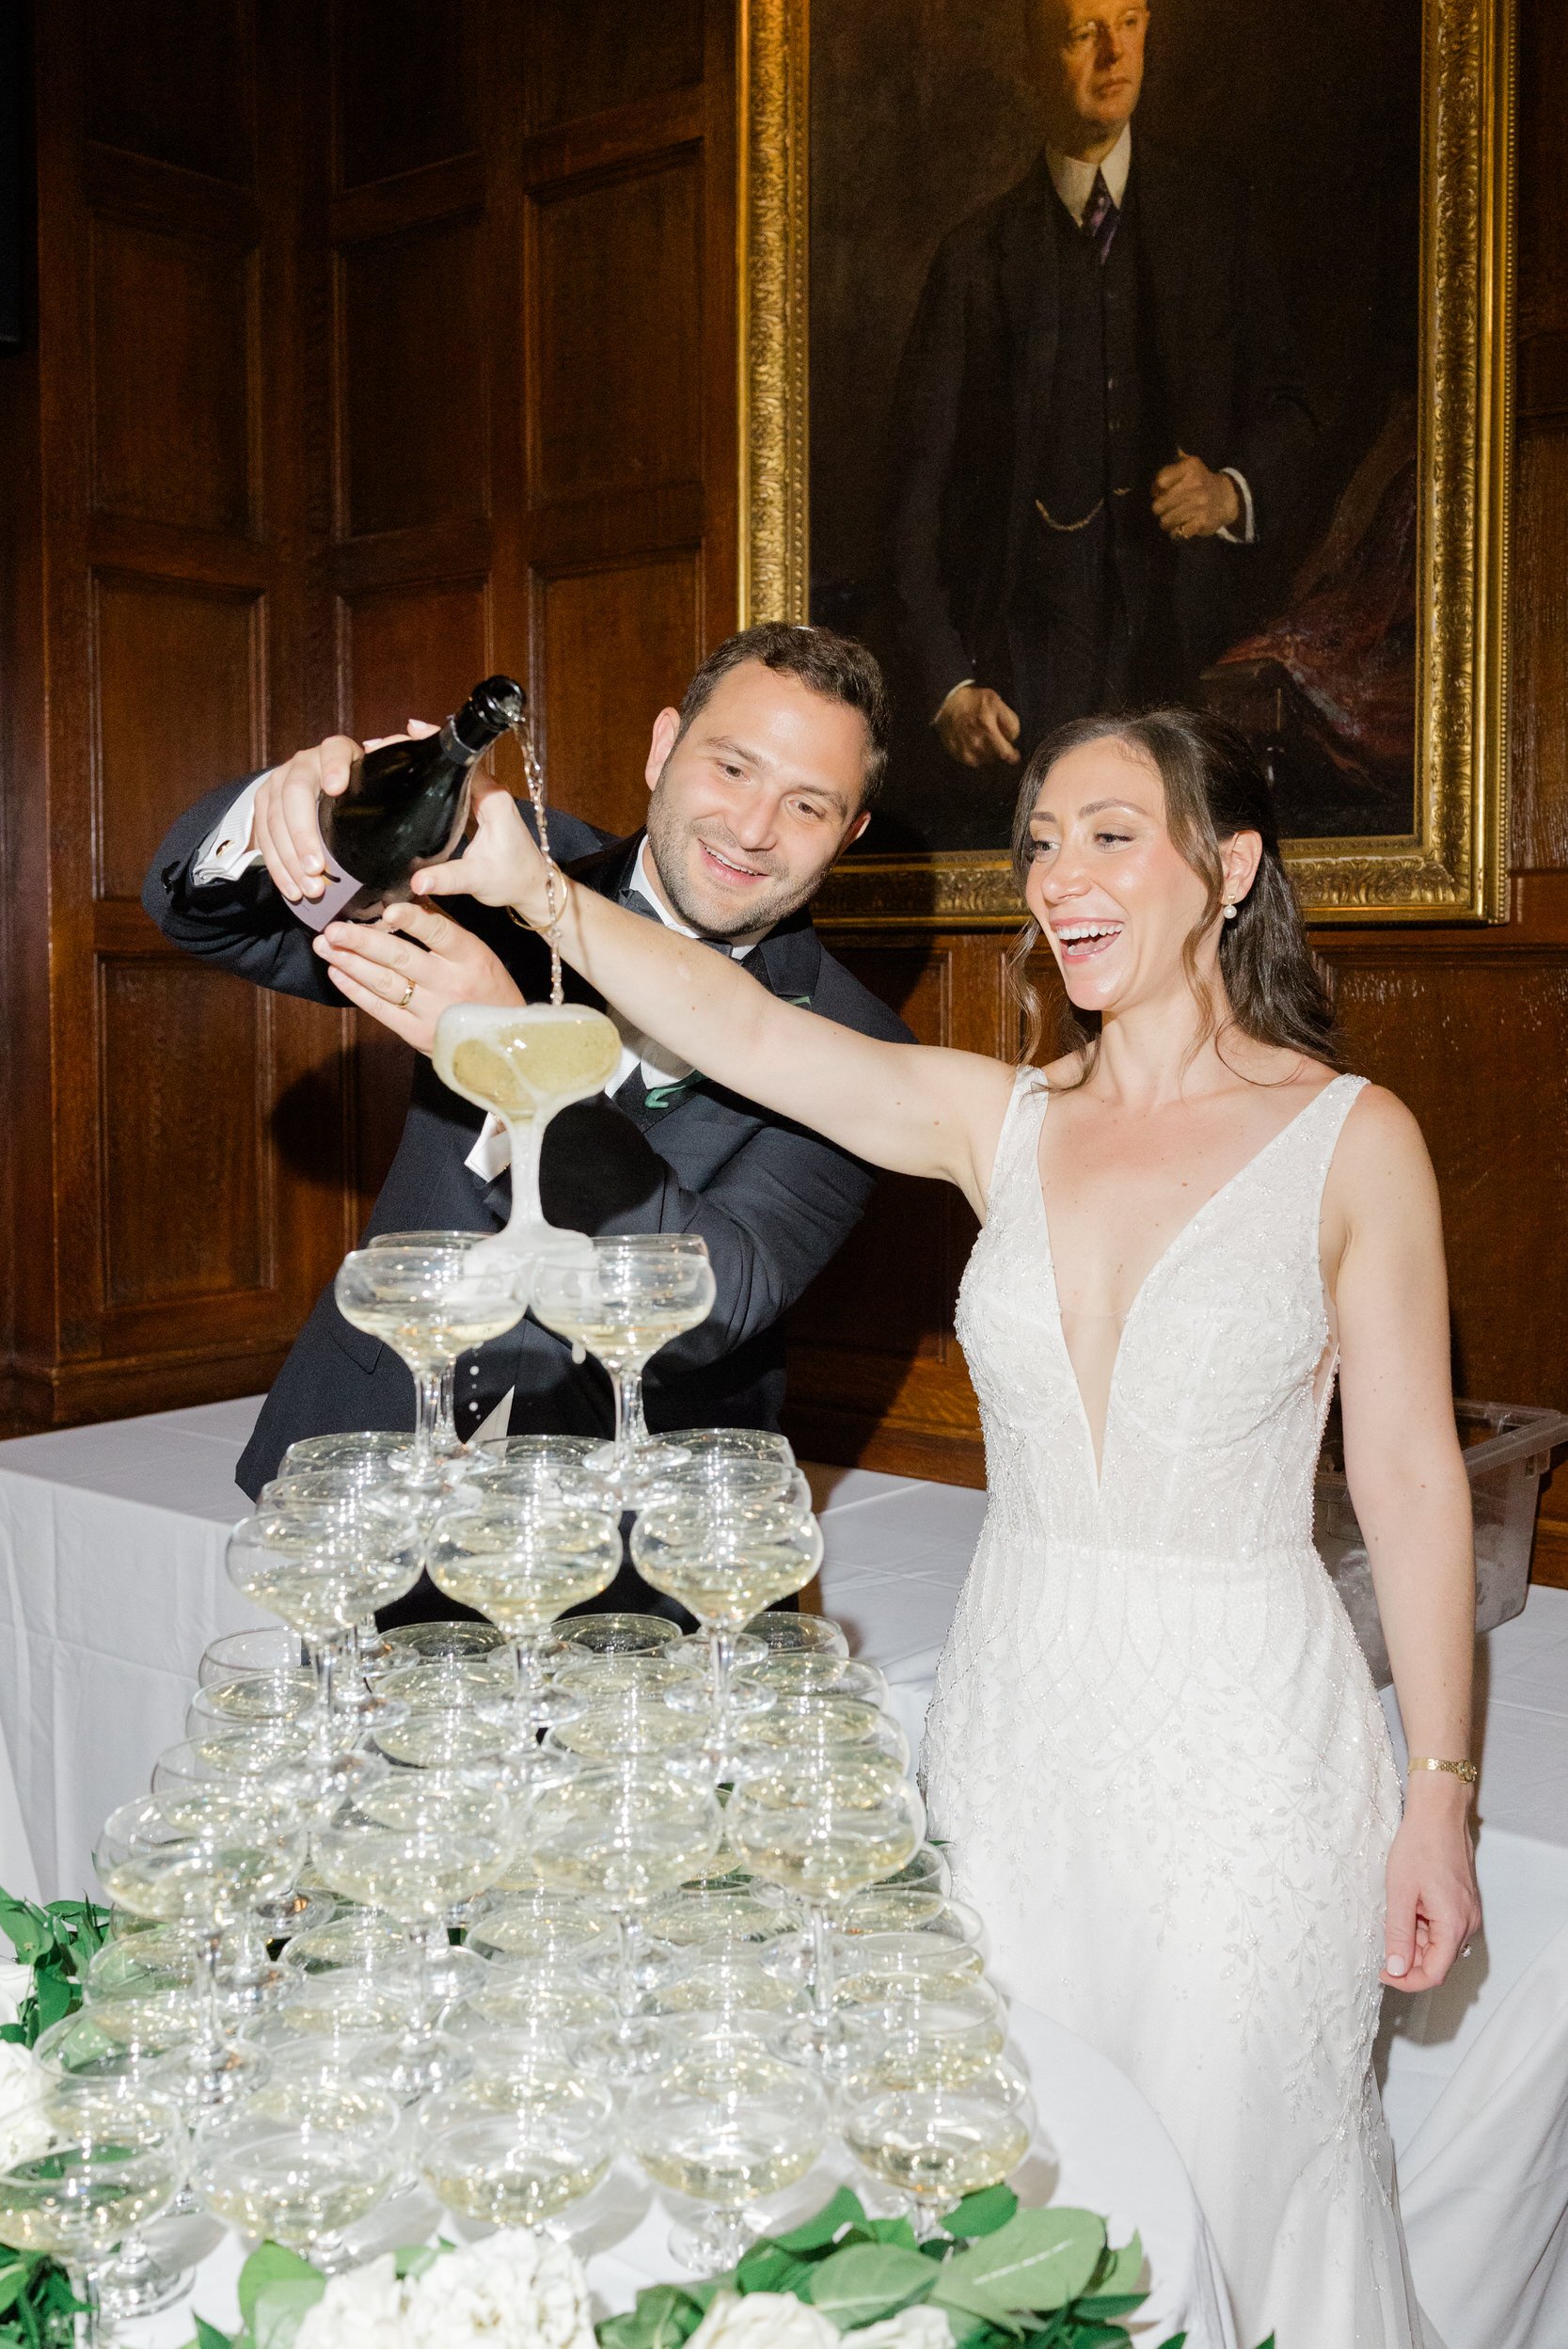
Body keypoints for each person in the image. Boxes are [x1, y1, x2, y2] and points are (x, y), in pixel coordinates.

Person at [411, 702, 1481, 2344]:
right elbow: (755, 1038)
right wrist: (544, 900)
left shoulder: (1352, 1141)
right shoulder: (1003, 1121)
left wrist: (1436, 1799)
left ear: (1230, 866)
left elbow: (1408, 1481)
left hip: (1250, 1749)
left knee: (1241, 2170)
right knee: (1012, 2186)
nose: (1060, 876)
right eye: (1040, 842)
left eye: (1110, 833)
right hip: (1015, 1723)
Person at [143, 624, 912, 1612]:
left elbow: (719, 1297)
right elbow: (207, 918)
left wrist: (517, 1051)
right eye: (730, 766)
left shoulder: (858, 1047)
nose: (752, 827)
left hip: (635, 1575)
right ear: (662, 745)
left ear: (848, 834)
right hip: (372, 1505)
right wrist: (282, 812)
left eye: (807, 804)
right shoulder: (495, 870)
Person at [887, 0, 1317, 795]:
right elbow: (910, 503)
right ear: (1031, 65)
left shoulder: (1215, 221)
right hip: (1026, 673)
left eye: (1130, 21)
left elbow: (1292, 414)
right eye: (1083, 33)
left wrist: (1231, 491)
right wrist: (948, 685)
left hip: (1191, 649)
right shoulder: (974, 259)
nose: (1114, 55)